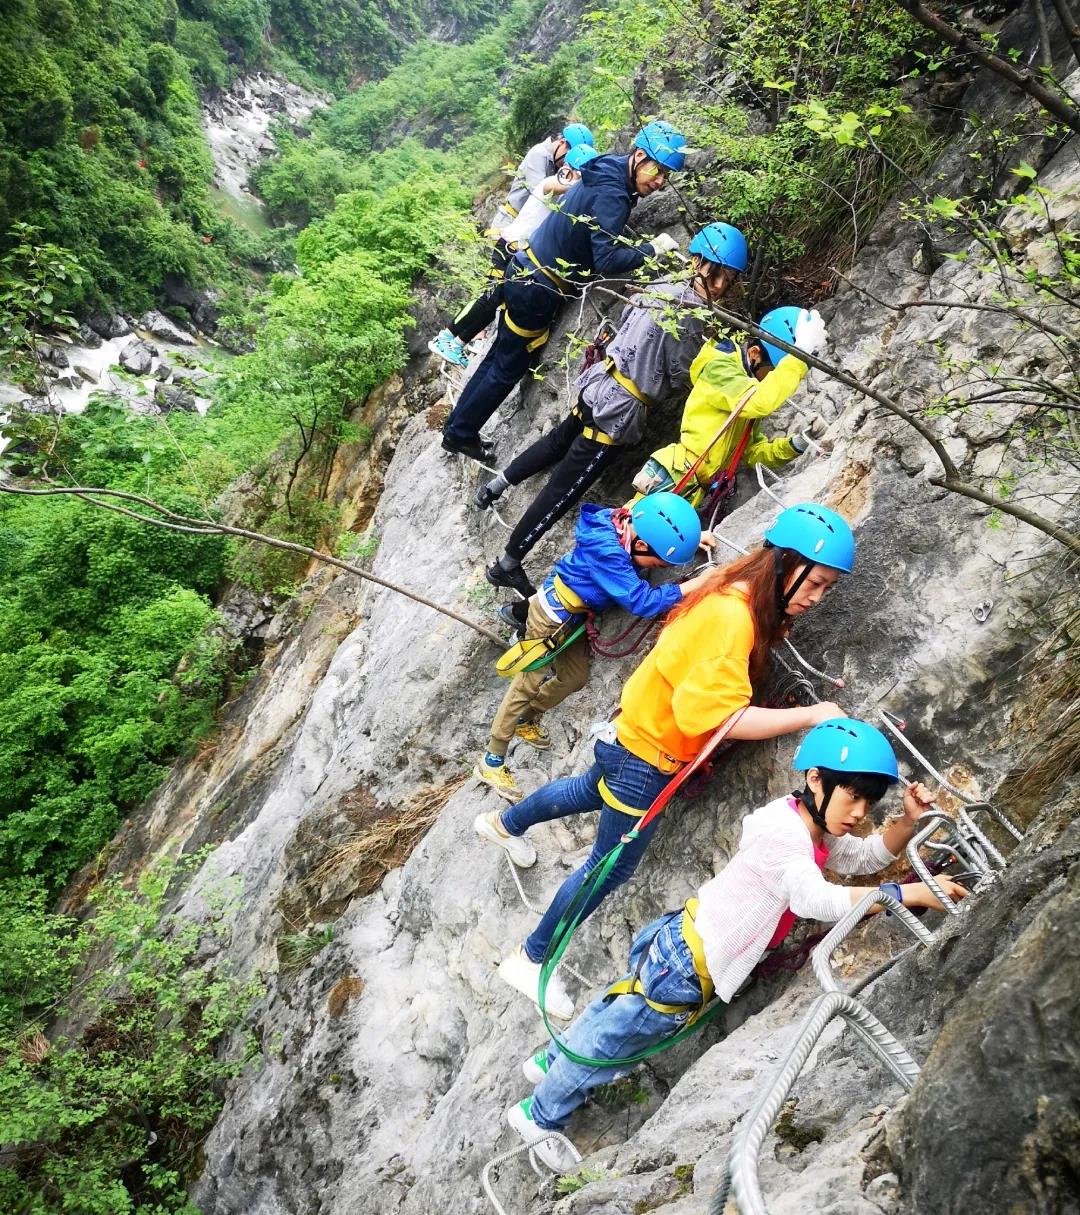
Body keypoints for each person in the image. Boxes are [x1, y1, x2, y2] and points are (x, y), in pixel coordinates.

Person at [503, 717, 970, 1170]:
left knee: (619, 1007)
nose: (860, 813)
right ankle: (540, 1116)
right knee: (611, 1045)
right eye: (853, 796)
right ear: (815, 780)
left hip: (683, 945)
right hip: (688, 966)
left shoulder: (805, 826)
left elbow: (862, 857)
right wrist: (907, 894)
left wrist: (907, 823)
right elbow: (818, 899)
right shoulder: (786, 837)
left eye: (869, 802)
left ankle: (553, 1060)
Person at [475, 501, 858, 1021]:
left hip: (629, 732)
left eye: (826, 588)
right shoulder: (733, 620)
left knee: (586, 789)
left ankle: (503, 824)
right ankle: (531, 958)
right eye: (814, 583)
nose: (816, 597)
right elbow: (719, 718)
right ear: (785, 564)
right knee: (607, 869)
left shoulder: (732, 590)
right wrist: (811, 716)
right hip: (647, 758)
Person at [477, 223, 749, 601]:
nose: (718, 285)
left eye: (726, 278)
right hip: (618, 410)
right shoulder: (695, 314)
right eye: (715, 273)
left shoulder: (663, 283)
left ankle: (496, 486)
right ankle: (508, 563)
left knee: (557, 440)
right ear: (699, 263)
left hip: (600, 381)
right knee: (563, 489)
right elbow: (682, 372)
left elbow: (625, 319)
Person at [441, 122, 687, 464]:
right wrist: (653, 249)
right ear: (640, 155)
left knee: (498, 357)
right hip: (539, 287)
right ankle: (460, 434)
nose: (660, 181)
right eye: (657, 170)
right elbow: (607, 259)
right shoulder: (615, 194)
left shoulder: (608, 166)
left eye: (666, 175)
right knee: (506, 368)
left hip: (524, 268)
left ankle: (457, 430)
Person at [473, 493, 714, 803]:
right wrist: (695, 584)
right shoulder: (609, 551)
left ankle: (524, 718)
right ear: (642, 545)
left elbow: (654, 529)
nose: (657, 567)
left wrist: (687, 545)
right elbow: (642, 600)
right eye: (657, 563)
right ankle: (491, 759)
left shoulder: (625, 524)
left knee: (574, 678)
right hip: (551, 618)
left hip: (570, 617)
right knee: (527, 683)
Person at [429, 127, 597, 369]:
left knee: (494, 298)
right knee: (489, 297)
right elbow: (558, 186)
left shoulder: (559, 186)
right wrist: (587, 182)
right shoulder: (550, 181)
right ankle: (447, 337)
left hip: (517, 247)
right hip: (510, 244)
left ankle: (456, 341)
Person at [632, 307, 830, 509]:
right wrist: (799, 357)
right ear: (754, 353)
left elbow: (752, 453)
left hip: (692, 482)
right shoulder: (720, 369)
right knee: (630, 523)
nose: (773, 378)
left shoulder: (747, 390)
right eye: (773, 371)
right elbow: (759, 402)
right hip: (675, 473)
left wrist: (797, 443)